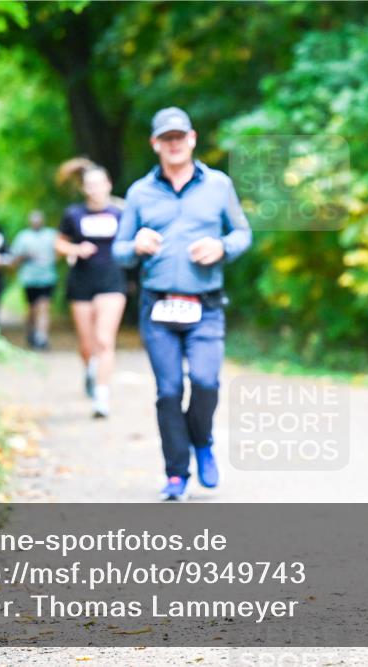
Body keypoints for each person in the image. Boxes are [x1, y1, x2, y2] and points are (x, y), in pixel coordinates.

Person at [114, 107, 252, 501]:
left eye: (180, 137)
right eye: (166, 138)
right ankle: (176, 474)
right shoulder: (140, 192)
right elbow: (119, 251)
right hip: (157, 307)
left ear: (191, 138)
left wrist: (221, 246)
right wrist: (136, 246)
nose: (174, 144)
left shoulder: (218, 185)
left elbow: (242, 233)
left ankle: (202, 441)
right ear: (155, 144)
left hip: (205, 305)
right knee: (169, 391)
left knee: (206, 382)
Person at [56, 162, 127, 418]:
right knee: (87, 345)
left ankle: (101, 396)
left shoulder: (121, 212)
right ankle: (90, 369)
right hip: (82, 282)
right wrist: (76, 250)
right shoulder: (73, 214)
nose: (95, 189)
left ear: (108, 185)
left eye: (100, 184)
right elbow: (60, 244)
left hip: (112, 280)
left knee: (104, 340)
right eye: (90, 185)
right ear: (84, 189)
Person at [11, 210, 59, 349]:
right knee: (32, 309)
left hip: (47, 277)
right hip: (29, 279)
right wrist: (25, 257)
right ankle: (32, 333)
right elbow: (15, 258)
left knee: (44, 307)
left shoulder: (51, 234)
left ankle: (42, 337)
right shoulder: (23, 237)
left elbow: (59, 252)